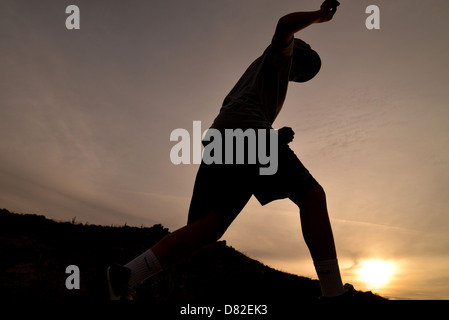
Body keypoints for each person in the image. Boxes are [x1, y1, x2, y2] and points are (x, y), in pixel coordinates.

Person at [107, 0, 352, 301]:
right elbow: (284, 25)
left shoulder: (259, 75)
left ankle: (128, 274)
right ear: (299, 53)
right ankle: (333, 293)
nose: (298, 77)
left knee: (208, 226)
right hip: (248, 133)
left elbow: (240, 111)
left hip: (222, 137)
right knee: (312, 196)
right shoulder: (281, 54)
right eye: (303, 71)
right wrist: (318, 15)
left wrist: (273, 137)